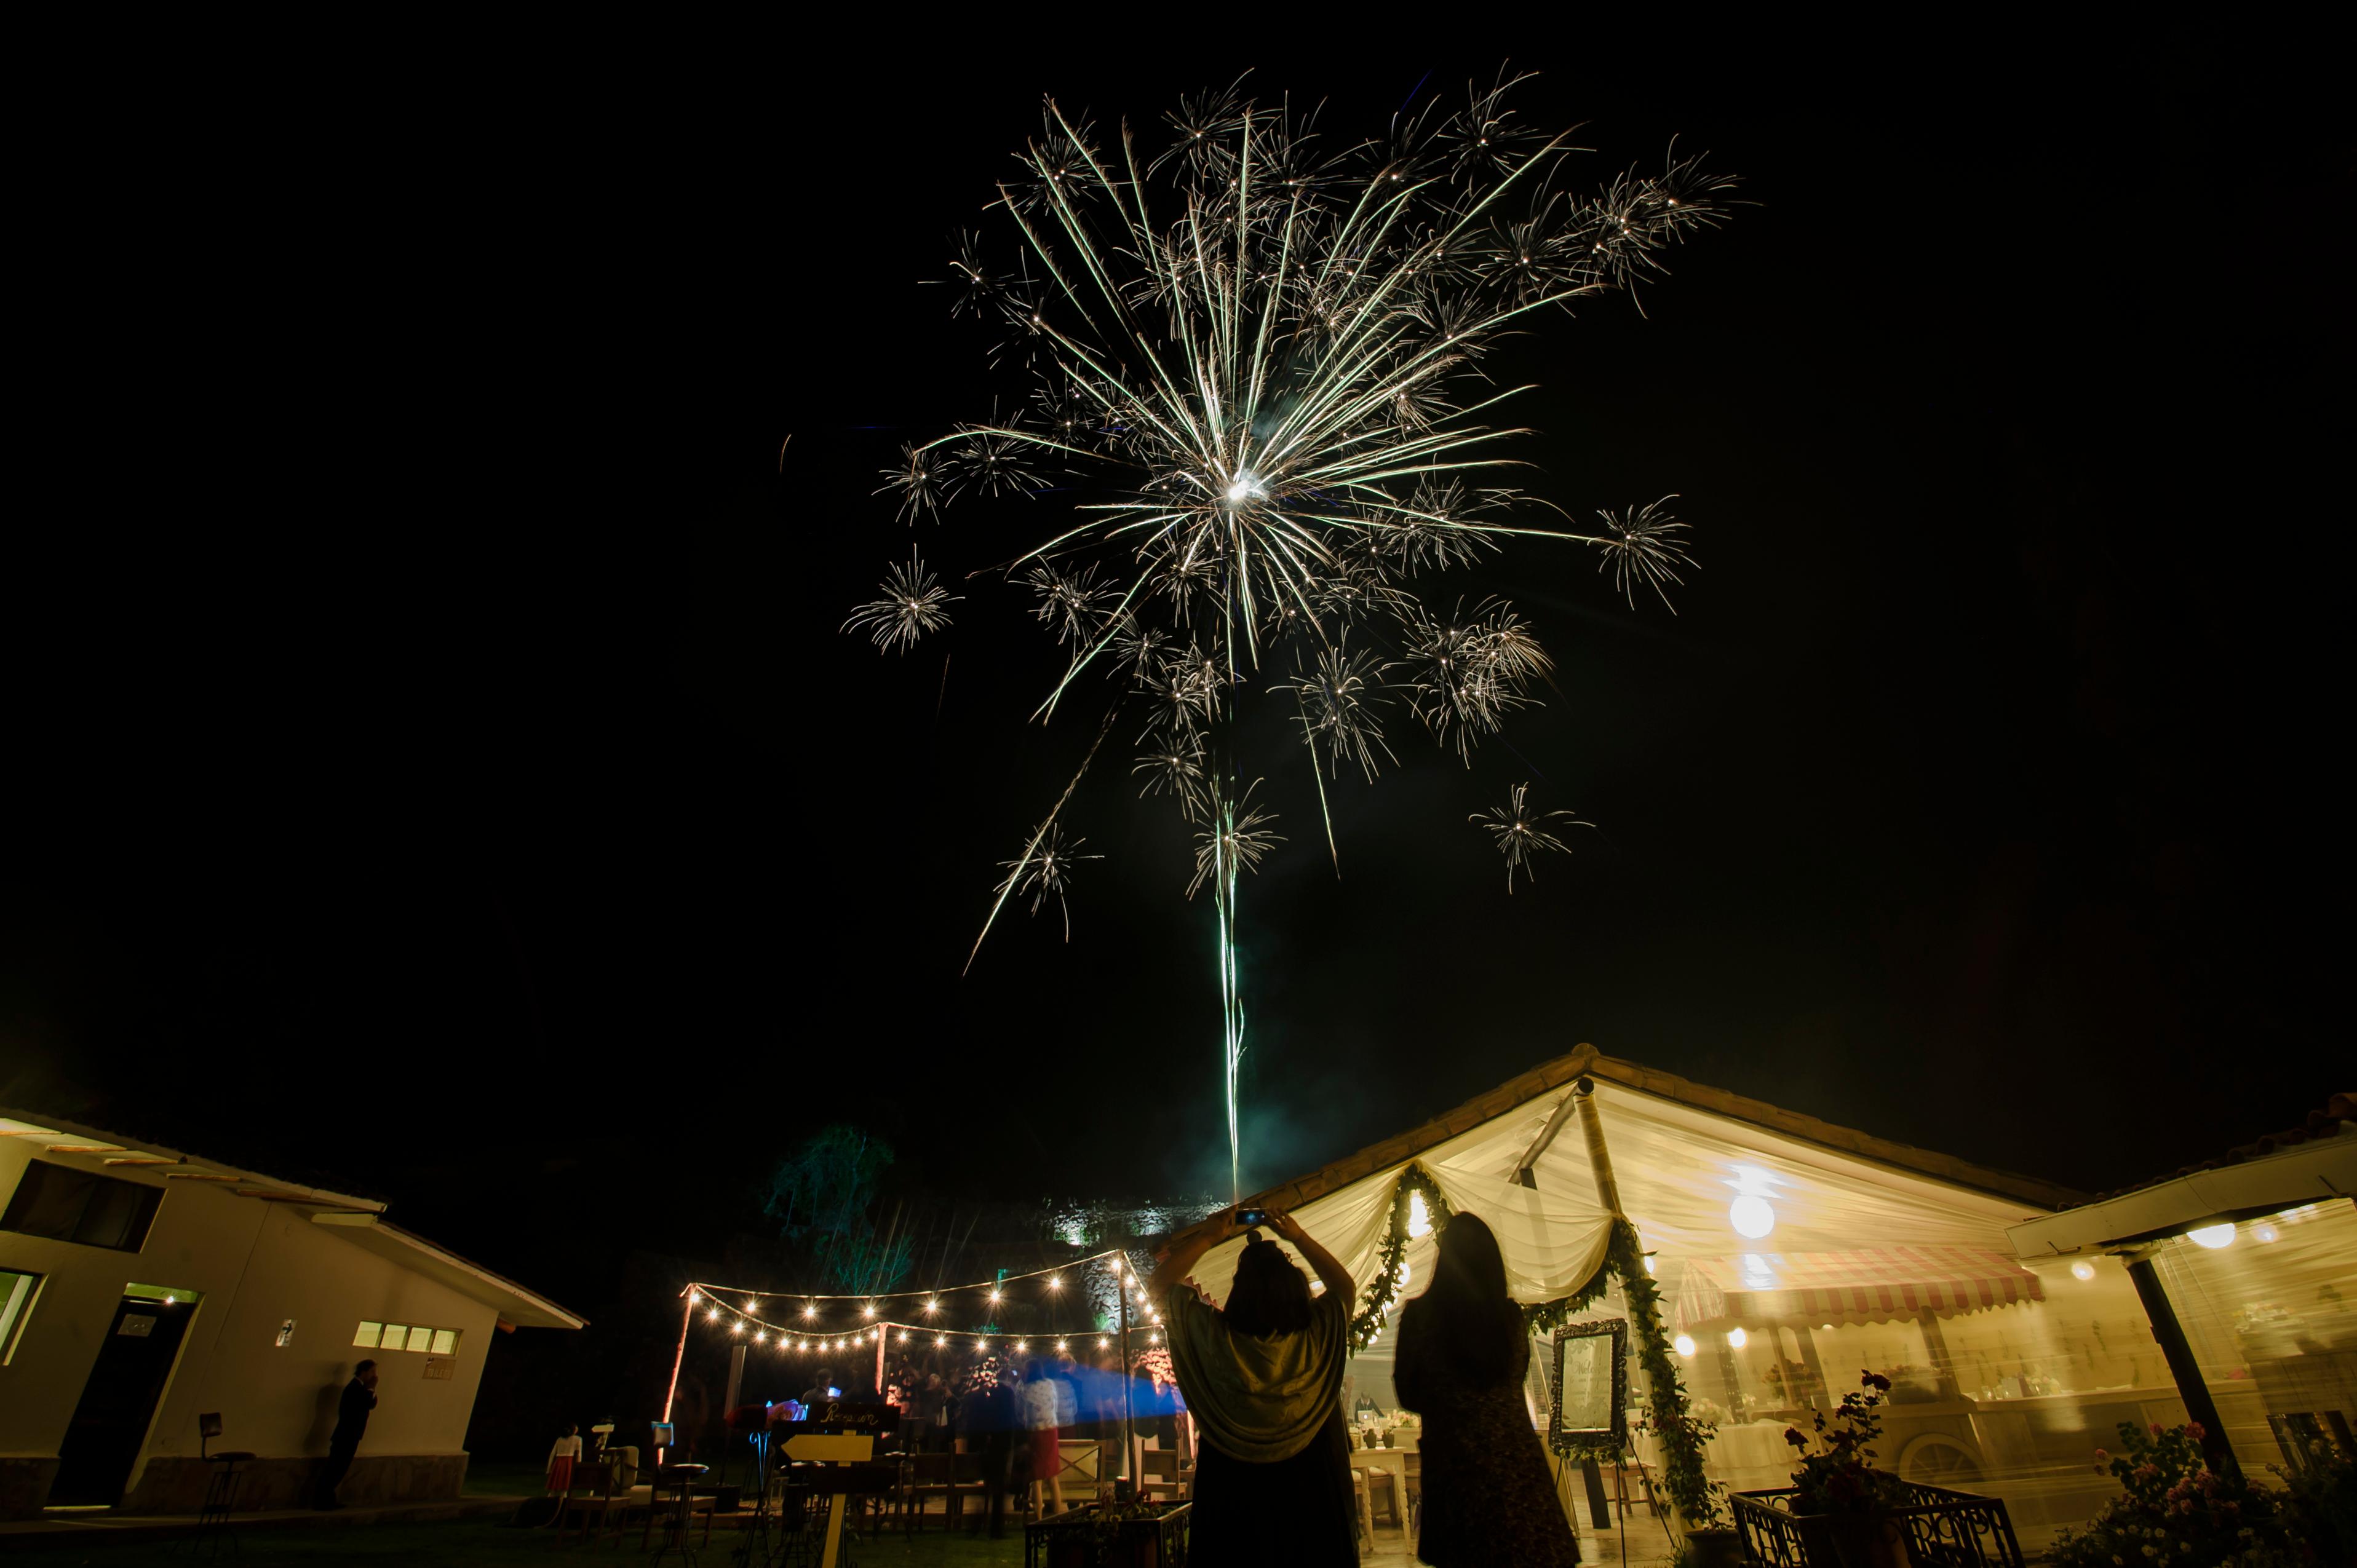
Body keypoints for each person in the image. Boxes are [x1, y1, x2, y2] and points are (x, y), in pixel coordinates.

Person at [1152, 1207, 1358, 1566]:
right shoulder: (1315, 1338)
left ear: (1239, 1290)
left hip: (1233, 1501)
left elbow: (1159, 1287)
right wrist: (1297, 1236)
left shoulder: (1217, 1341)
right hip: (1311, 1496)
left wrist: (1208, 1237)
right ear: (1294, 1286)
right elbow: (1344, 1288)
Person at [1394, 1213, 1581, 1566]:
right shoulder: (1509, 1318)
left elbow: (1408, 1392)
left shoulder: (1420, 1317)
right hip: (1515, 1466)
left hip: (1456, 1467)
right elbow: (1516, 1375)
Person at [314, 1359, 380, 1509]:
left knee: (339, 1468)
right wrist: (371, 1389)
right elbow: (366, 1403)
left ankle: (328, 1499)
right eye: (372, 1372)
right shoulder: (354, 1388)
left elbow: (372, 1404)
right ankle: (322, 1500)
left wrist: (371, 1390)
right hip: (346, 1434)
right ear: (363, 1372)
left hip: (352, 1434)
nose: (375, 1376)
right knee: (335, 1468)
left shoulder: (361, 1388)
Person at [1022, 1357, 1065, 1517]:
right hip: (1052, 1431)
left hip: (1036, 1433)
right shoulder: (1050, 1384)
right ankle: (1057, 1515)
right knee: (1053, 1476)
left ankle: (1038, 1517)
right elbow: (1055, 1404)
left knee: (1037, 1478)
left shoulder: (1027, 1389)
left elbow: (1023, 1413)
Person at [543, 1423, 582, 1524]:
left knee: (556, 1486)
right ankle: (561, 1510)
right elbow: (579, 1454)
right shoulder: (578, 1439)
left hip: (559, 1462)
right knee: (564, 1486)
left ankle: (552, 1508)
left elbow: (553, 1454)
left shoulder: (560, 1439)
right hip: (568, 1462)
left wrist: (549, 1468)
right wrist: (579, 1466)